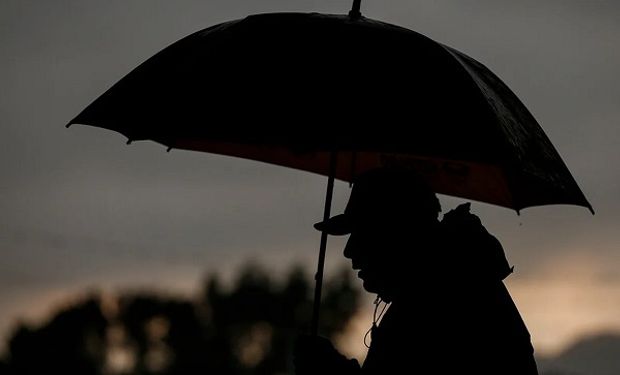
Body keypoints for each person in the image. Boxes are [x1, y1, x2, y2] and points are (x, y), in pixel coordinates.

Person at [294, 167, 539, 375]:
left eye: (364, 233)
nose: (349, 251)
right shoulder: (452, 287)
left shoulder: (438, 303)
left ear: (399, 234)